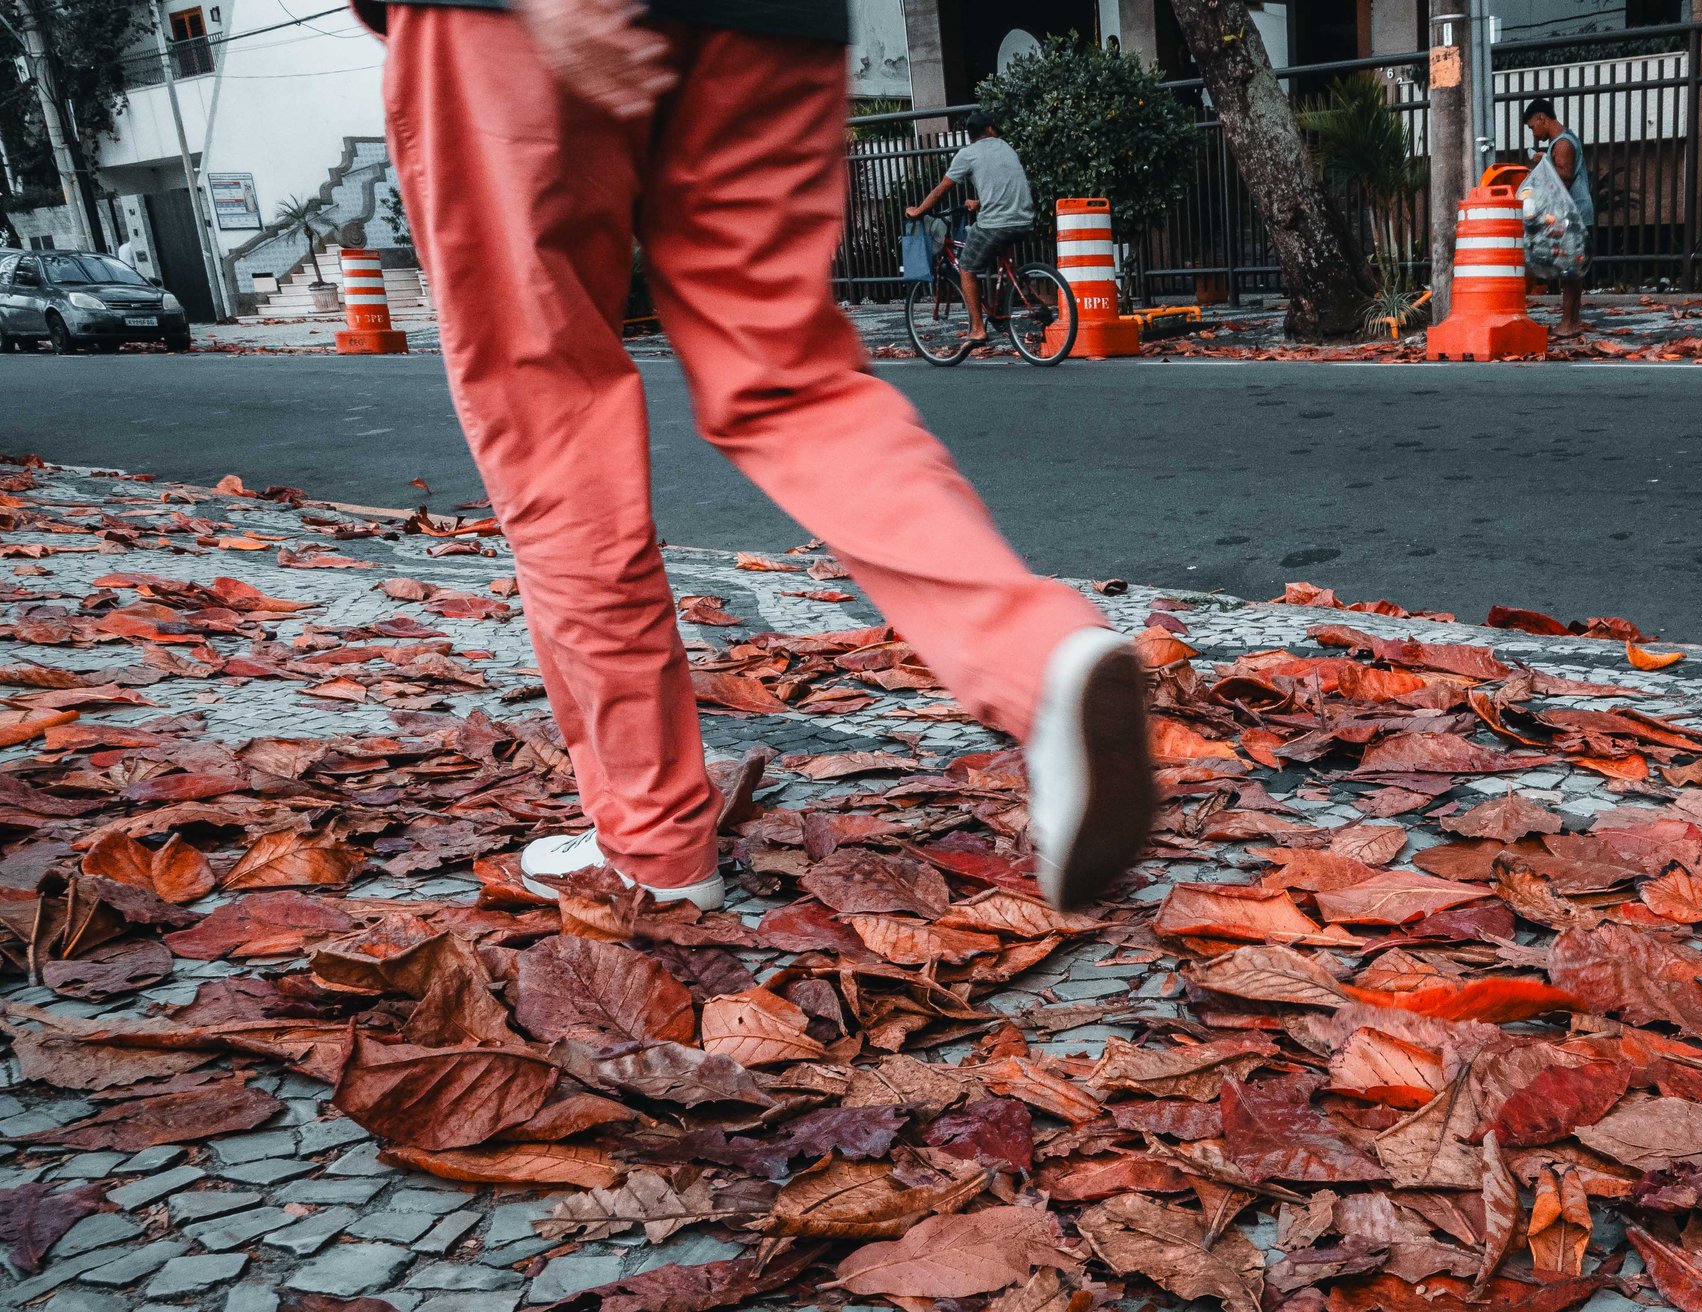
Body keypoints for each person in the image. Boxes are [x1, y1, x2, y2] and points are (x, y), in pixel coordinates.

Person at [358, 0, 1156, 913]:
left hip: (503, 25)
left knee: (551, 423)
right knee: (794, 384)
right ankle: (1041, 663)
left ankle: (654, 846)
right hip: (777, 24)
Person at [903, 109, 1034, 346]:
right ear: (990, 129)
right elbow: (1005, 186)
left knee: (966, 267)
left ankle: (977, 330)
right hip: (1024, 220)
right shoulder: (1006, 147)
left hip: (996, 224)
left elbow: (943, 188)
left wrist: (919, 210)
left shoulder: (968, 154)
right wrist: (979, 203)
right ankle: (1003, 309)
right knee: (1001, 260)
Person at [1521, 98, 1592, 339]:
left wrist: (1544, 164)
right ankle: (1573, 319)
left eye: (1532, 127)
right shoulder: (1561, 141)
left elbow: (1565, 176)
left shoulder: (1562, 144)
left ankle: (1568, 324)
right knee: (1573, 270)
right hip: (1575, 213)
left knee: (1570, 271)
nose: (1534, 132)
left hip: (1573, 213)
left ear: (1542, 117)